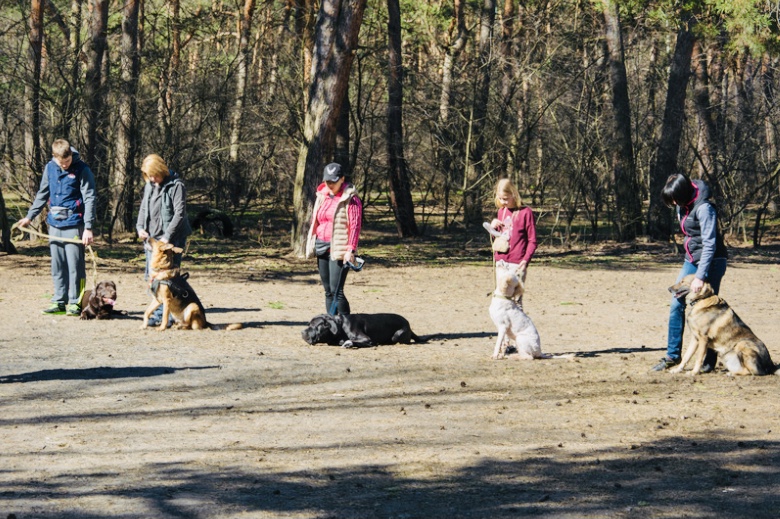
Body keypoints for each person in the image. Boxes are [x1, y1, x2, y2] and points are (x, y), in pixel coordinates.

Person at [652, 172, 728, 372]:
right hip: (692, 259)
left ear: (684, 193)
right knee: (677, 302)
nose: (674, 203)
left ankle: (708, 362)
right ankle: (672, 356)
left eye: (675, 200)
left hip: (712, 261)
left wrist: (700, 277)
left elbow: (710, 245)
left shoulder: (704, 208)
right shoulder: (682, 202)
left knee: (709, 308)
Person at [17, 139, 96, 316]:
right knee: (58, 265)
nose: (65, 165)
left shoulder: (82, 169)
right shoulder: (50, 168)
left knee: (75, 265)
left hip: (74, 224)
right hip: (54, 224)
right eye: (62, 162)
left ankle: (76, 301)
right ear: (55, 157)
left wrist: (88, 227)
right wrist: (30, 217)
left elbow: (90, 197)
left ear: (71, 156)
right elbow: (42, 193)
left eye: (67, 161)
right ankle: (59, 300)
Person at [136, 154, 191, 326]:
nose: (152, 179)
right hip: (152, 241)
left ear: (162, 170)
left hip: (171, 241)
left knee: (167, 280)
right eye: (149, 176)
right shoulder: (149, 186)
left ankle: (164, 317)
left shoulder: (177, 186)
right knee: (151, 277)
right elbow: (144, 208)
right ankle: (157, 313)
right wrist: (140, 228)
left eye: (154, 175)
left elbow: (179, 214)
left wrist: (167, 237)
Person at [305, 162, 363, 315]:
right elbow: (316, 220)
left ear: (342, 179)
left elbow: (355, 226)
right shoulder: (322, 196)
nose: (330, 184)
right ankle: (333, 326)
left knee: (337, 290)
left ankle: (347, 328)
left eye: (333, 181)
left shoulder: (351, 199)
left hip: (339, 248)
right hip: (321, 245)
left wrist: (351, 249)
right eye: (327, 181)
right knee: (328, 292)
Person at [489, 178, 537, 308]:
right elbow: (499, 239)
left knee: (515, 303)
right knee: (501, 301)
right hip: (501, 262)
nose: (503, 202)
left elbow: (532, 240)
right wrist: (492, 228)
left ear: (513, 194)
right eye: (500, 198)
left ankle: (519, 328)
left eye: (505, 198)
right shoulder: (501, 211)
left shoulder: (526, 213)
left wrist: (525, 260)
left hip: (517, 263)